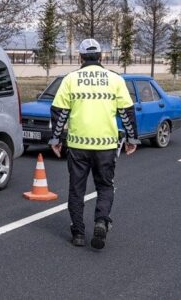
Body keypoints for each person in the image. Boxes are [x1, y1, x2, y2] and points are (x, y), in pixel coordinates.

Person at [48, 38, 139, 250]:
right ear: (101, 56)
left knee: (76, 189)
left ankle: (78, 233)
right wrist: (132, 139)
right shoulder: (115, 80)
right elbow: (127, 111)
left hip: (78, 145)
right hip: (106, 145)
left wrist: (56, 139)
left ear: (79, 57)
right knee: (105, 186)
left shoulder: (70, 79)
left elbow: (59, 111)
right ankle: (101, 220)